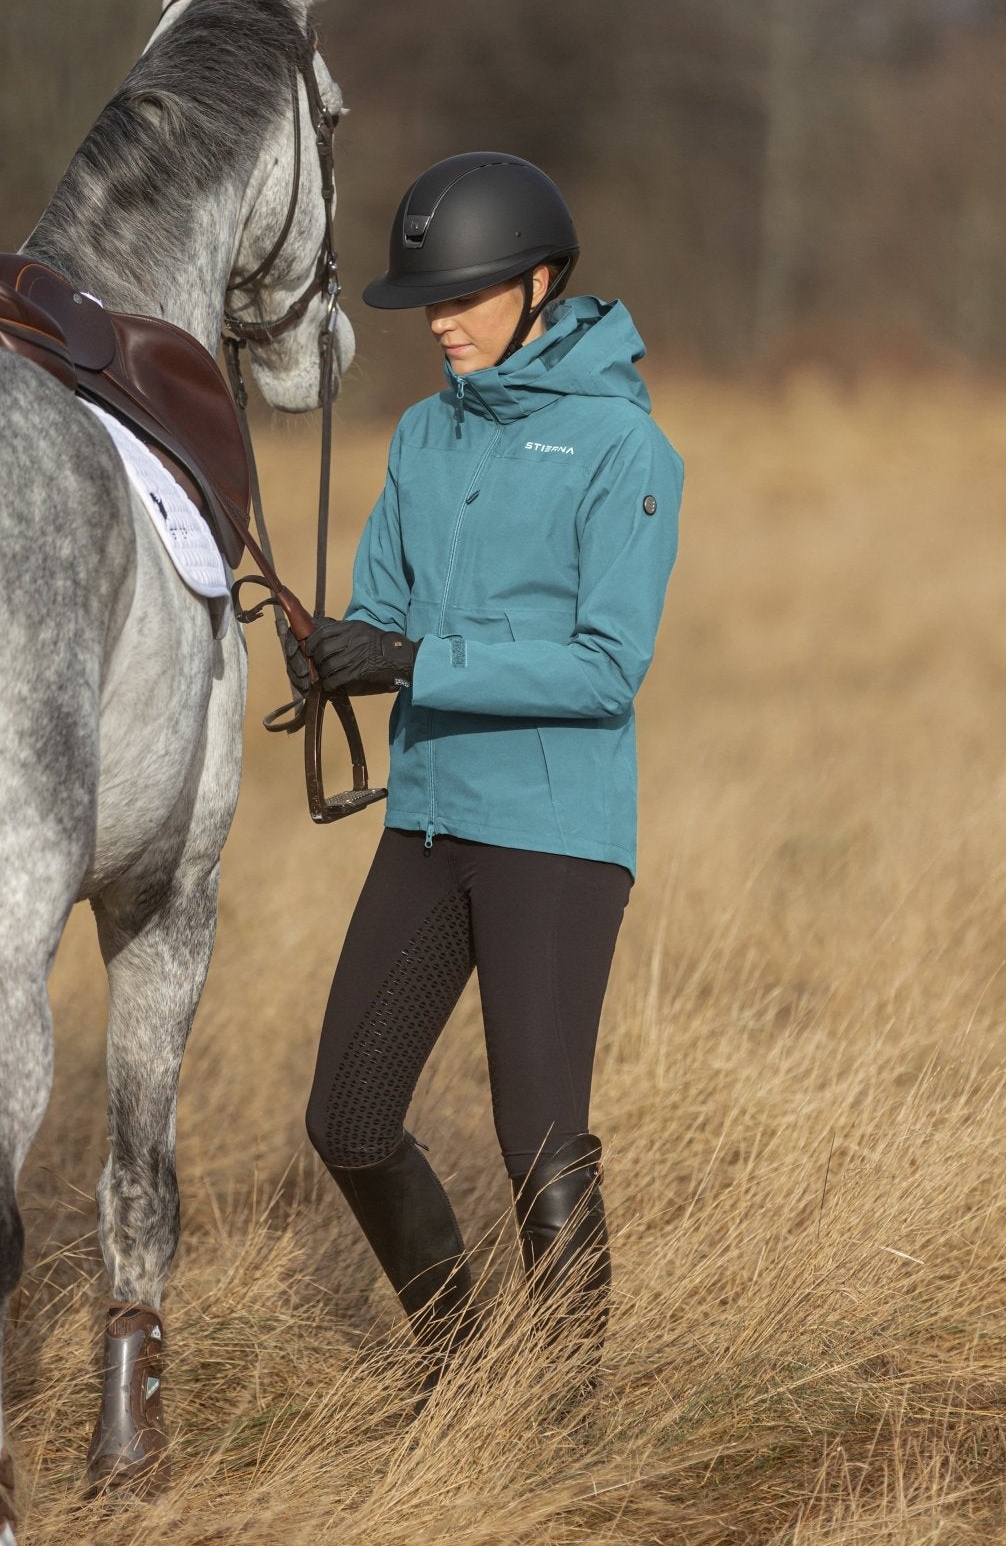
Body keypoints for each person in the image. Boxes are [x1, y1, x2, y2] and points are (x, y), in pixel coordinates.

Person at [301, 150, 683, 1386]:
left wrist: (414, 655)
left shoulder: (625, 449)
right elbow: (387, 607)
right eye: (429, 303)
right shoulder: (422, 433)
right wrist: (344, 652)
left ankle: (568, 1427)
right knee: (347, 1119)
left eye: (462, 296)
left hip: (556, 834)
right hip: (425, 820)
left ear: (537, 282)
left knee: (537, 1139)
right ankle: (458, 1369)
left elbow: (603, 669)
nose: (443, 324)